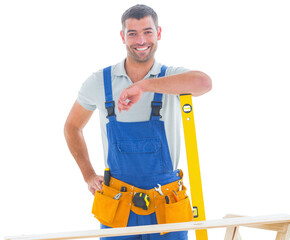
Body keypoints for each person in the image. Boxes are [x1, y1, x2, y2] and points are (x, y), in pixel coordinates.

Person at [64, 4, 212, 240]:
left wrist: (143, 86)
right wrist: (88, 175)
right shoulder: (100, 82)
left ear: (159, 33)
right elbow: (72, 127)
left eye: (147, 31)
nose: (141, 40)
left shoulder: (172, 76)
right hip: (118, 203)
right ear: (123, 36)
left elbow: (204, 83)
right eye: (132, 33)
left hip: (166, 201)